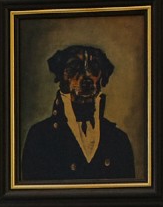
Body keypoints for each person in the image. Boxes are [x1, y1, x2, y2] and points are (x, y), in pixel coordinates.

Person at [16, 42, 137, 182]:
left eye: (94, 67)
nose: (86, 77)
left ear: (103, 76)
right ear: (60, 74)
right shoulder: (40, 136)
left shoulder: (118, 140)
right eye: (74, 68)